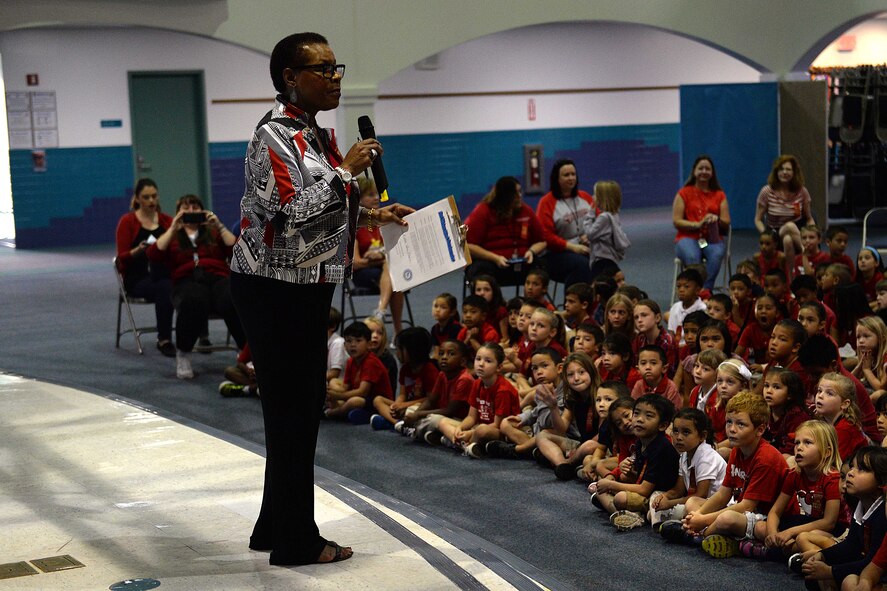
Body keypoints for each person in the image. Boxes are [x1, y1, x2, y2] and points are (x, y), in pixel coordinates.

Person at [227, 32, 413, 566]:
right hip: (272, 289)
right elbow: (290, 212)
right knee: (294, 413)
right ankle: (296, 542)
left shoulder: (316, 136)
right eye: (323, 69)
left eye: (337, 68)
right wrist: (346, 170)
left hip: (306, 287)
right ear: (290, 77)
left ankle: (272, 525)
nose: (336, 77)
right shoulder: (273, 137)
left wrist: (377, 213)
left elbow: (332, 209)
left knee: (296, 410)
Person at [147, 193, 245, 379]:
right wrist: (173, 228)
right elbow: (153, 254)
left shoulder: (213, 232)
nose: (191, 211)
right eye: (185, 208)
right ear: (177, 213)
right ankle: (183, 353)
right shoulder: (173, 235)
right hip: (186, 280)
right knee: (194, 300)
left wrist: (219, 225)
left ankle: (245, 351)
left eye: (195, 207)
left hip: (216, 277)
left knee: (232, 297)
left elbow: (237, 249)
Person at [588, 394, 679, 531]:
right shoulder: (640, 441)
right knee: (602, 488)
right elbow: (637, 477)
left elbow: (644, 489)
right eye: (636, 414)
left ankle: (632, 515)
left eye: (649, 416)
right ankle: (627, 513)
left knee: (619, 498)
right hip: (644, 490)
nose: (639, 420)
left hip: (658, 497)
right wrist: (624, 473)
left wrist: (612, 484)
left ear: (662, 426)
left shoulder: (661, 447)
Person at [115, 177, 175, 356]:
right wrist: (138, 251)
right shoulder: (127, 222)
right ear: (138, 199)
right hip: (137, 278)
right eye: (146, 197)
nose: (151, 201)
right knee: (166, 288)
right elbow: (121, 259)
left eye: (154, 196)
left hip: (163, 272)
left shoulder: (166, 221)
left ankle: (201, 336)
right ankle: (164, 339)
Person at [650, 407, 726, 529]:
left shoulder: (706, 457)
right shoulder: (684, 454)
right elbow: (678, 490)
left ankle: (690, 527)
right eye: (675, 431)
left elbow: (701, 495)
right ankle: (672, 524)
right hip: (698, 504)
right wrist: (665, 497)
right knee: (656, 495)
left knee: (691, 503)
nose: (678, 437)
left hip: (713, 505)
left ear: (702, 436)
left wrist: (669, 504)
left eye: (686, 432)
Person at [464, 176, 546, 286]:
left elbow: (542, 241)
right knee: (480, 271)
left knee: (541, 267)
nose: (520, 196)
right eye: (515, 193)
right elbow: (467, 246)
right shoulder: (483, 211)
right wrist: (495, 258)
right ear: (504, 196)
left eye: (520, 192)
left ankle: (532, 303)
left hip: (520, 263)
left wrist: (531, 251)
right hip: (491, 263)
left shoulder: (526, 211)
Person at [351, 176, 405, 335]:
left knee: (394, 274)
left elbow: (393, 252)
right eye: (370, 195)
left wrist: (378, 256)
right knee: (395, 275)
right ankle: (397, 330)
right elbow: (356, 263)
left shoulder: (382, 223)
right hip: (363, 274)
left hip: (385, 271)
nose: (376, 198)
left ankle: (381, 312)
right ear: (359, 199)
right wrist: (373, 260)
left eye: (377, 194)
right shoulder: (355, 227)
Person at [672, 155, 731, 291]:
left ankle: (704, 291)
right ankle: (694, 290)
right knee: (693, 256)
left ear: (712, 173)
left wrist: (716, 219)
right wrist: (698, 224)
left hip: (711, 238)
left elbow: (726, 222)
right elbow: (676, 221)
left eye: (707, 169)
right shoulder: (683, 193)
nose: (704, 171)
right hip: (687, 237)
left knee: (716, 255)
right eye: (701, 168)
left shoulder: (719, 195)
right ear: (694, 171)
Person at [536, 159, 596, 287]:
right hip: (554, 254)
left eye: (573, 174)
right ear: (557, 179)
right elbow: (546, 236)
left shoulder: (584, 197)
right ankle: (573, 303)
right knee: (582, 265)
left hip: (584, 247)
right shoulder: (546, 202)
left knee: (604, 261)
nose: (571, 178)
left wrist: (591, 235)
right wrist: (572, 247)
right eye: (566, 175)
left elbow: (599, 220)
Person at [753, 155, 815, 279]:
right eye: (781, 169)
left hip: (797, 231)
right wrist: (766, 233)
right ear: (776, 172)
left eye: (788, 169)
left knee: (788, 239)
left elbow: (809, 218)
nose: (784, 172)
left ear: (794, 173)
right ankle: (806, 252)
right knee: (789, 226)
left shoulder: (802, 191)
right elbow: (758, 219)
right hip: (774, 232)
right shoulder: (767, 191)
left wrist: (813, 233)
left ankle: (791, 278)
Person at [583, 180, 630, 281]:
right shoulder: (614, 214)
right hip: (610, 258)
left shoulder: (604, 217)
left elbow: (590, 233)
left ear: (601, 198)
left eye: (595, 194)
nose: (593, 197)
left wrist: (590, 213)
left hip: (601, 260)